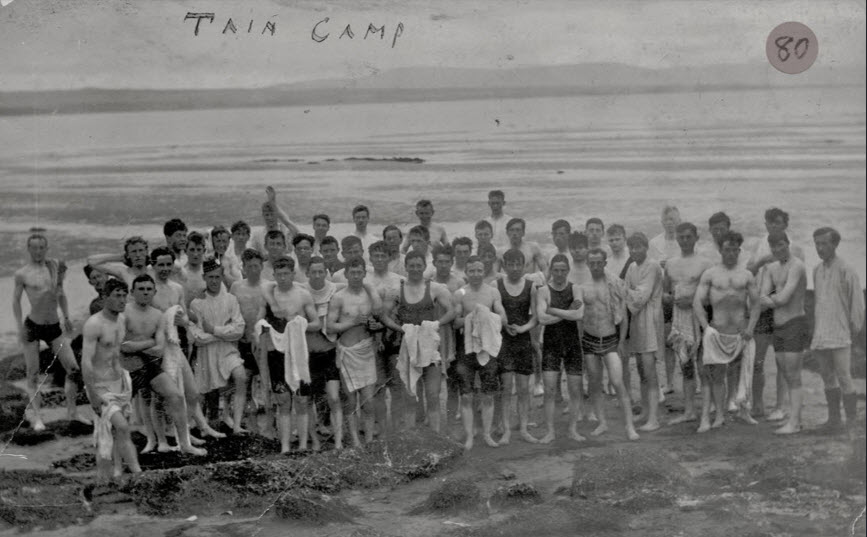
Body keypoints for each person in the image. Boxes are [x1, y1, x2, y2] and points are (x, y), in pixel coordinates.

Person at [123, 275, 207, 456]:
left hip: (148, 364)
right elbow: (122, 346)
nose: (145, 293)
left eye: (148, 289)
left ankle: (185, 444)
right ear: (132, 292)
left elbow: (160, 349)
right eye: (141, 289)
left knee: (176, 396)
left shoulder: (158, 315)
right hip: (126, 367)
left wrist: (137, 346)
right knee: (120, 409)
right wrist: (148, 342)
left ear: (154, 292)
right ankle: (118, 449)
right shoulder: (125, 312)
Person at [148, 247, 226, 440]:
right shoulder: (148, 288)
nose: (165, 268)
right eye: (160, 265)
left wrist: (183, 321)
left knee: (190, 391)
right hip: (156, 348)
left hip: (175, 344)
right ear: (154, 266)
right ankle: (175, 435)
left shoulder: (176, 288)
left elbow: (185, 318)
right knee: (167, 396)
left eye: (168, 264)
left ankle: (202, 426)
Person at [13, 234, 88, 431]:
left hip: (54, 327)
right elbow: (15, 301)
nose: (38, 251)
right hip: (33, 326)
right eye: (34, 248)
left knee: (72, 368)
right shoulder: (23, 273)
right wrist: (19, 327)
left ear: (46, 249)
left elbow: (61, 293)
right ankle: (38, 417)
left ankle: (72, 412)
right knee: (33, 374)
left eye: (41, 248)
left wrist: (67, 317)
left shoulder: (55, 267)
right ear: (28, 249)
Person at [693, 231, 760, 433]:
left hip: (740, 333)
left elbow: (756, 304)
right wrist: (706, 328)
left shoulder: (746, 275)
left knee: (743, 372)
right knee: (717, 376)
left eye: (734, 249)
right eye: (727, 249)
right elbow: (697, 302)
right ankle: (719, 415)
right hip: (717, 332)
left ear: (739, 251)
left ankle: (743, 411)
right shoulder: (711, 274)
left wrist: (750, 328)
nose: (731, 253)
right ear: (720, 250)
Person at [381, 251, 454, 433]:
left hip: (430, 347)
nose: (415, 269)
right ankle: (412, 436)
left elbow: (452, 310)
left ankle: (436, 435)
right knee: (410, 395)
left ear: (424, 266)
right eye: (411, 266)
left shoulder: (435, 288)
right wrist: (401, 329)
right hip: (408, 347)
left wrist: (436, 324)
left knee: (432, 393)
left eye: (418, 265)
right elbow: (383, 314)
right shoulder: (398, 289)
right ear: (406, 267)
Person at [259, 256, 321, 453]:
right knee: (283, 400)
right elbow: (260, 321)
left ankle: (303, 444)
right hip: (277, 353)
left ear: (293, 274)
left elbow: (317, 323)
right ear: (274, 275)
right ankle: (285, 445)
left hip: (299, 353)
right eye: (279, 274)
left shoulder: (303, 294)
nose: (283, 277)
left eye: (287, 273)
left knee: (302, 400)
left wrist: (300, 325)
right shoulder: (269, 294)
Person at [81, 279, 141, 481]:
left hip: (120, 384)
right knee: (118, 429)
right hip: (100, 387)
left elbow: (117, 351)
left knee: (115, 433)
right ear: (105, 297)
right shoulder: (94, 324)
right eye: (117, 295)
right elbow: (86, 362)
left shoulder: (122, 320)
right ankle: (137, 473)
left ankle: (113, 475)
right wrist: (93, 395)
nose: (122, 300)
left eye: (124, 295)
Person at [747, 207, 804, 419]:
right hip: (762, 308)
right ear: (765, 225)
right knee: (757, 359)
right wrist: (762, 261)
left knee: (782, 361)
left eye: (777, 223)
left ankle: (780, 406)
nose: (773, 226)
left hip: (783, 308)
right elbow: (748, 271)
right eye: (769, 223)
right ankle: (758, 404)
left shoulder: (795, 248)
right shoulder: (759, 244)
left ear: (785, 225)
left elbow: (797, 282)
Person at [810, 227, 864, 433]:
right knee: (827, 376)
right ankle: (834, 420)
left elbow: (857, 306)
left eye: (824, 243)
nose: (820, 248)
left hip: (841, 335)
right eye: (817, 243)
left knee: (844, 376)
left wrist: (851, 332)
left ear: (835, 244)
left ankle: (851, 422)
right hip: (821, 334)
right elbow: (818, 303)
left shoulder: (846, 270)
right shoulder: (817, 270)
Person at [581, 248, 639, 440]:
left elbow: (623, 317)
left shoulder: (614, 284)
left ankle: (630, 426)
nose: (596, 266)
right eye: (592, 263)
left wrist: (622, 341)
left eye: (599, 262)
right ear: (588, 264)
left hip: (610, 340)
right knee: (595, 384)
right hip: (589, 340)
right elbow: (579, 318)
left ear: (605, 263)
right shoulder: (583, 286)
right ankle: (602, 422)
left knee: (617, 382)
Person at [187, 258, 247, 434]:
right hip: (207, 353)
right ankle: (202, 424)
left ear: (222, 277)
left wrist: (214, 329)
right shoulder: (196, 304)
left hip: (228, 351)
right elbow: (197, 337)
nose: (214, 281)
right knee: (204, 392)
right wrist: (222, 334)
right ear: (204, 277)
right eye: (211, 277)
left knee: (241, 376)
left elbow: (239, 329)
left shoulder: (231, 300)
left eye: (218, 277)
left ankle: (236, 424)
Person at [453, 255, 507, 450]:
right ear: (466, 273)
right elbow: (456, 321)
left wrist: (486, 316)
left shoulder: (493, 292)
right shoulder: (460, 293)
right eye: (471, 271)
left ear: (484, 271)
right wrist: (472, 316)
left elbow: (502, 317)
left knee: (488, 394)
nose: (475, 274)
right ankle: (469, 436)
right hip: (466, 347)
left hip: (487, 347)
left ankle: (486, 434)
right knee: (466, 395)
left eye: (479, 270)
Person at [328, 258, 383, 447]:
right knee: (350, 401)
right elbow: (330, 326)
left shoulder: (370, 294)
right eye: (353, 273)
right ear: (346, 274)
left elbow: (378, 315)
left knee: (368, 399)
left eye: (360, 272)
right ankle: (355, 439)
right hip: (348, 351)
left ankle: (368, 440)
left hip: (366, 350)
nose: (356, 276)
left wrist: (374, 325)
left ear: (364, 273)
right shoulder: (339, 297)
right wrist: (353, 322)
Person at [663, 223, 712, 425]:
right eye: (681, 237)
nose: (684, 240)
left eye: (688, 236)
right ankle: (690, 410)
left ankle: (707, 413)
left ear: (695, 237)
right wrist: (669, 298)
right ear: (676, 238)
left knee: (703, 366)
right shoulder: (671, 264)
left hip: (699, 316)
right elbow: (666, 292)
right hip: (679, 318)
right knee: (686, 365)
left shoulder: (704, 263)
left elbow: (710, 296)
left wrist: (692, 300)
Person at [760, 231, 808, 434]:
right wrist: (771, 299)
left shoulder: (797, 265)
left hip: (794, 322)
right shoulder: (771, 268)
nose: (778, 249)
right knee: (787, 374)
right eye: (773, 246)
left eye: (781, 245)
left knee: (794, 374)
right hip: (778, 326)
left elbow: (784, 298)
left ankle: (795, 423)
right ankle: (793, 417)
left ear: (788, 243)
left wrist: (771, 299)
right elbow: (762, 297)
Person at [535, 254, 585, 443]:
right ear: (551, 270)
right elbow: (541, 318)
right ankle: (550, 431)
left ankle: (572, 429)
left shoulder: (576, 289)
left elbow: (579, 314)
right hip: (551, 344)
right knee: (549, 390)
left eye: (562, 270)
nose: (559, 274)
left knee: (574, 389)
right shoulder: (543, 291)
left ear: (568, 270)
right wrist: (567, 313)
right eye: (555, 270)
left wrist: (553, 310)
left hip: (572, 343)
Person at [301, 256, 345, 449]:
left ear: (326, 272)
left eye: (321, 271)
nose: (318, 275)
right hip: (308, 354)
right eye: (314, 272)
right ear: (307, 273)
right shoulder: (301, 291)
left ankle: (338, 442)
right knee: (308, 399)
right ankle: (315, 440)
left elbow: (358, 283)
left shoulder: (335, 288)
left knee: (334, 397)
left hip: (329, 352)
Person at [497, 249, 540, 444]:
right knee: (506, 388)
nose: (514, 269)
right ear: (504, 265)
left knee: (523, 389)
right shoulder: (496, 285)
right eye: (511, 264)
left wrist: (524, 328)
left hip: (522, 341)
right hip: (504, 342)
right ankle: (506, 430)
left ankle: (523, 428)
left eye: (518, 265)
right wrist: (504, 325)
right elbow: (493, 314)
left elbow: (536, 318)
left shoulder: (531, 286)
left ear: (524, 266)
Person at [624, 232, 665, 432]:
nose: (634, 251)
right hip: (637, 322)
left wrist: (621, 291)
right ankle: (646, 412)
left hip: (650, 320)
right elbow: (627, 293)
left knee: (650, 370)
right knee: (640, 369)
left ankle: (654, 418)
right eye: (631, 247)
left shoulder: (653, 266)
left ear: (646, 247)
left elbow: (640, 297)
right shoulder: (632, 267)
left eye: (638, 246)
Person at [366, 241, 406, 433]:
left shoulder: (399, 280)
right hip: (371, 338)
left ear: (389, 257)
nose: (380, 259)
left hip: (395, 337)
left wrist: (389, 324)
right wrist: (369, 323)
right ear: (370, 257)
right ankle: (381, 427)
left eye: (383, 256)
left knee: (397, 382)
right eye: (376, 255)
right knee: (378, 384)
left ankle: (397, 425)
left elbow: (403, 309)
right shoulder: (366, 280)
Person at [229, 249, 268, 434]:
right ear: (243, 267)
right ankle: (239, 424)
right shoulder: (236, 287)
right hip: (243, 342)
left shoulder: (269, 286)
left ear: (262, 266)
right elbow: (230, 313)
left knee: (266, 385)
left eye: (256, 266)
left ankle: (266, 428)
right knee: (242, 382)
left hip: (263, 343)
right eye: (249, 266)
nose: (253, 269)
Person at [648, 206, 682, 396]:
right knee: (667, 340)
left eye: (673, 219)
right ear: (662, 222)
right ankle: (669, 382)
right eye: (667, 219)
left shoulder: (684, 240)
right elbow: (650, 269)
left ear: (679, 220)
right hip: (663, 296)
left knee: (687, 340)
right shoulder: (655, 243)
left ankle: (693, 381)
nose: (670, 223)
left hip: (681, 294)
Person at [86, 236, 153, 290]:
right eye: (134, 251)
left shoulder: (154, 271)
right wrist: (120, 257)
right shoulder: (123, 272)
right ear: (128, 255)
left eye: (141, 250)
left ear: (147, 252)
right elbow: (91, 261)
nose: (138, 255)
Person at [250, 186, 300, 255]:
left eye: (272, 215)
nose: (270, 218)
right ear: (263, 216)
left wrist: (273, 202)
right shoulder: (257, 235)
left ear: (277, 215)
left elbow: (295, 231)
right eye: (267, 215)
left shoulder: (286, 232)